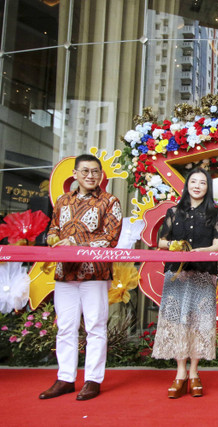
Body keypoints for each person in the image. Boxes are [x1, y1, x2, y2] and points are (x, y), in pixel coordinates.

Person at [39, 154, 122, 401]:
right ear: (75, 174)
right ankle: (65, 378)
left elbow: (111, 238)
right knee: (65, 327)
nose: (90, 175)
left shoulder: (110, 201)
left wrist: (74, 241)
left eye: (95, 171)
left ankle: (93, 380)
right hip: (65, 272)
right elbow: (53, 228)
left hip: (94, 273)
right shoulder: (63, 201)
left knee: (96, 326)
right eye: (85, 171)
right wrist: (53, 238)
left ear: (101, 175)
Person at [152, 167, 218, 398]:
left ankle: (194, 372)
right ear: (186, 185)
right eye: (193, 182)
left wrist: (204, 250)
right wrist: (175, 245)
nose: (197, 186)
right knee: (177, 321)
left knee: (198, 322)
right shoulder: (174, 211)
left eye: (202, 183)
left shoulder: (215, 213)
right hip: (176, 274)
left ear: (208, 187)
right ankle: (180, 373)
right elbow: (161, 242)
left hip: (203, 272)